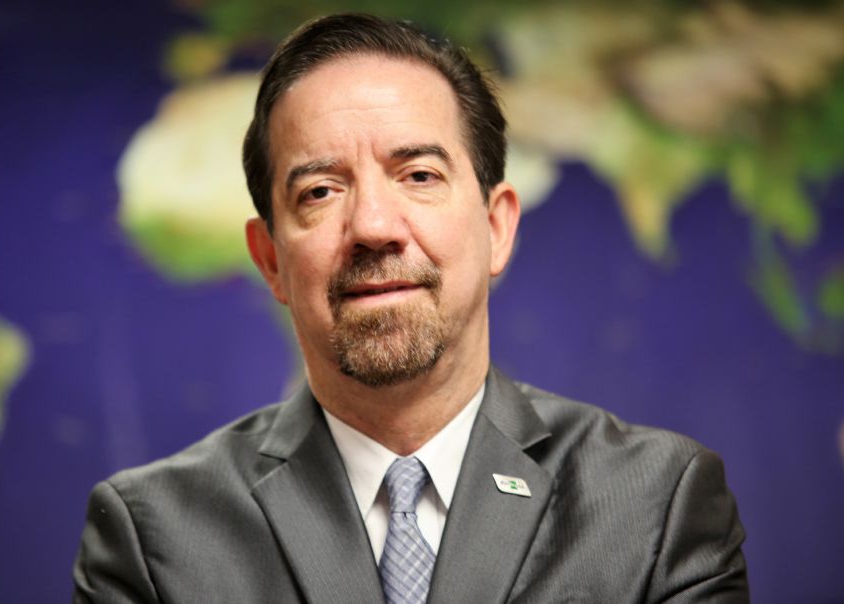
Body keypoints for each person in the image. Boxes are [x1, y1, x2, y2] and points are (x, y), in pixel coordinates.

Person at [73, 13, 748, 603]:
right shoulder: (154, 537)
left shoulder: (655, 504)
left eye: (419, 175)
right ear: (270, 258)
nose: (373, 225)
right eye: (320, 191)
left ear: (498, 227)